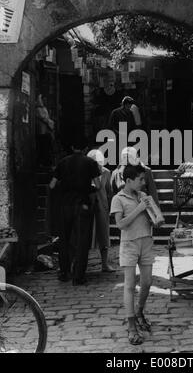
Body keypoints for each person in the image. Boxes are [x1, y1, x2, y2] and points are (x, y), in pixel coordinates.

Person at [110, 164, 154, 345]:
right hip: (129, 244)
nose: (144, 183)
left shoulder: (143, 196)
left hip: (146, 241)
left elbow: (152, 217)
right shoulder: (118, 199)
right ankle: (131, 326)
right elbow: (120, 224)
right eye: (140, 180)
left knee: (147, 282)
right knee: (129, 286)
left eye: (144, 179)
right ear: (128, 181)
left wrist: (155, 218)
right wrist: (139, 209)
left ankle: (139, 311)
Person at [49, 136, 101, 285]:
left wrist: (65, 188)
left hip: (65, 205)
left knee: (64, 239)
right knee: (82, 240)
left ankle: (64, 273)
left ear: (72, 147)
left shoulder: (62, 162)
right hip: (82, 205)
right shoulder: (91, 163)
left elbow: (52, 185)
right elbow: (98, 185)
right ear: (85, 149)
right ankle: (78, 276)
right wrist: (86, 187)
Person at [87, 148, 116, 273]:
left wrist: (108, 207)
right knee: (84, 235)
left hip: (102, 207)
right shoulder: (85, 172)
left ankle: (104, 264)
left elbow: (109, 191)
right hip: (88, 207)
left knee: (104, 236)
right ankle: (78, 263)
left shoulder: (106, 173)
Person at [35, 94, 55, 167]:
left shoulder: (43, 108)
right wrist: (51, 122)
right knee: (43, 147)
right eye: (43, 99)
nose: (45, 101)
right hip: (41, 131)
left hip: (45, 131)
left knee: (46, 147)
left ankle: (46, 163)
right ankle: (43, 163)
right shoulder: (38, 109)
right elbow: (44, 118)